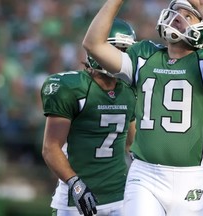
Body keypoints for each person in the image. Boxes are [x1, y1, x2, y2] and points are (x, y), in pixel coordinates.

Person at [82, 0, 203, 215]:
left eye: (189, 15)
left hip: (191, 178)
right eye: (176, 12)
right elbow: (93, 45)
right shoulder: (144, 55)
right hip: (145, 174)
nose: (178, 17)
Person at [41, 18, 137, 216]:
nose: (120, 56)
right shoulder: (72, 87)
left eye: (125, 50)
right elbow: (51, 148)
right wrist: (75, 184)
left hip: (121, 196)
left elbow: (133, 145)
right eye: (115, 48)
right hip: (78, 199)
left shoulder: (129, 90)